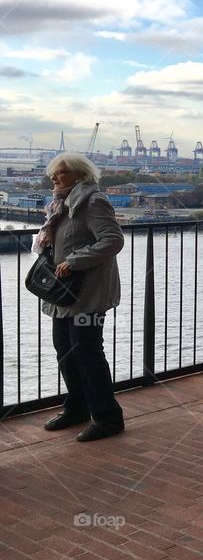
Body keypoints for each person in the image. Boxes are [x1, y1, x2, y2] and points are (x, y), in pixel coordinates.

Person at [38, 153, 125, 442]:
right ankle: (76, 407)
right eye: (53, 173)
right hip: (64, 292)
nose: (55, 178)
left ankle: (107, 416)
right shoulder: (59, 204)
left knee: (87, 352)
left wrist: (75, 260)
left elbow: (113, 240)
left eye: (61, 173)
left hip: (88, 292)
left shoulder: (93, 201)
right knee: (64, 349)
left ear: (80, 175)